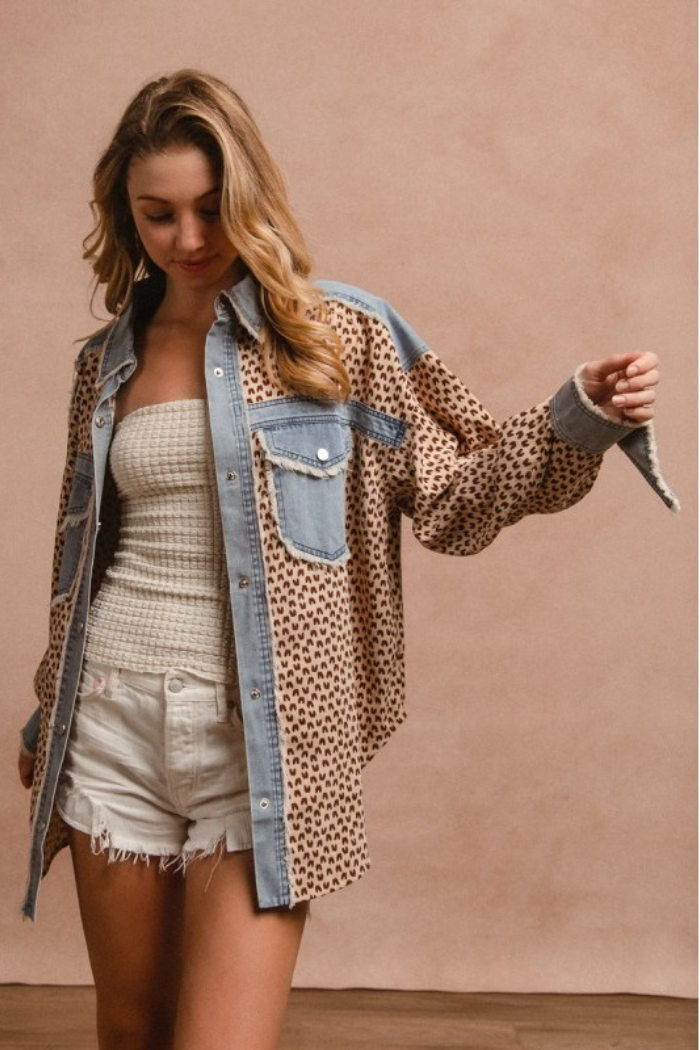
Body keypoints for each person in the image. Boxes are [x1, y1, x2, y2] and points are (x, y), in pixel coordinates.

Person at [17, 69, 676, 1050]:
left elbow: (457, 501)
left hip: (262, 743)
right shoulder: (102, 364)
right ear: (126, 214)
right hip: (109, 723)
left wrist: (578, 413)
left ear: (252, 196)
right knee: (133, 1031)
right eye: (159, 215)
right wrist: (51, 707)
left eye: (213, 208)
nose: (190, 238)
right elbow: (81, 557)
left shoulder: (340, 339)